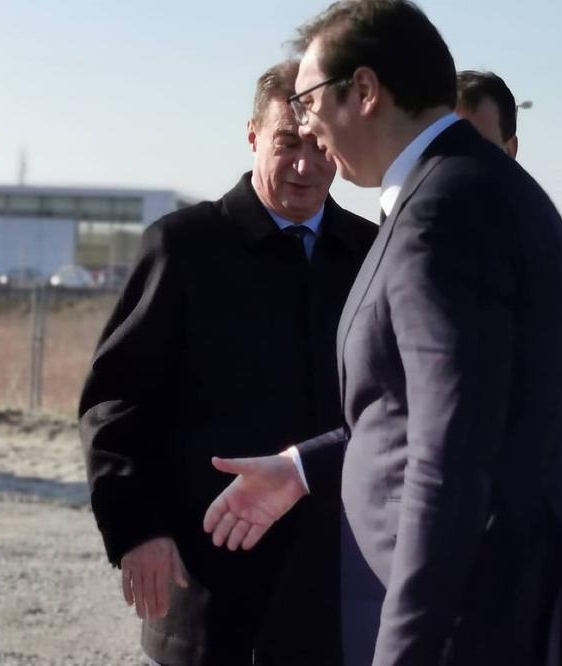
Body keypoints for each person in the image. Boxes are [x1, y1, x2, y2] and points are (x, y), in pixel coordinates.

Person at [204, 2, 562, 664]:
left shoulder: (443, 213)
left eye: (308, 102)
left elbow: (450, 454)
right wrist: (302, 469)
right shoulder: (470, 186)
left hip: (468, 623)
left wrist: (408, 646)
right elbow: (433, 408)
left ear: (365, 91)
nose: (306, 124)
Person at [79, 61, 376, 665]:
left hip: (338, 582)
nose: (305, 165)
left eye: (319, 145)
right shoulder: (184, 247)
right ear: (252, 136)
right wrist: (137, 528)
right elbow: (117, 400)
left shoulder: (372, 254)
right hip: (212, 579)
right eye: (286, 143)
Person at [455, 69, 562, 608]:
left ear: (511, 151)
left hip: (544, 546)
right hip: (434, 544)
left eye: (481, 148)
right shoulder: (392, 257)